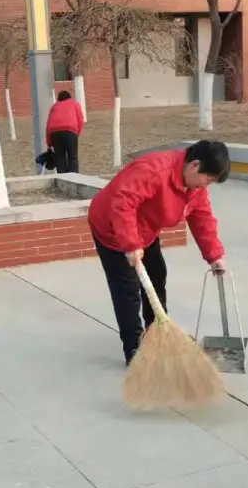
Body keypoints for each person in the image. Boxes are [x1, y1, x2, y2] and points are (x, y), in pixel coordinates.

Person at [88, 140, 229, 365]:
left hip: (145, 230)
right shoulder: (153, 171)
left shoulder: (194, 187)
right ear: (194, 166)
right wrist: (130, 244)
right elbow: (123, 204)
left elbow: (201, 216)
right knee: (128, 290)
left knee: (157, 275)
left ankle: (158, 335)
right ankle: (134, 349)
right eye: (209, 179)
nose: (207, 186)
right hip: (113, 229)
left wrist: (214, 255)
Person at [45, 90, 84, 173]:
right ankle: (73, 178)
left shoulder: (54, 107)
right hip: (70, 132)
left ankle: (62, 180)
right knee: (72, 156)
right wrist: (76, 134)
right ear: (69, 97)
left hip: (54, 134)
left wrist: (49, 143)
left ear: (59, 99)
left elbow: (48, 126)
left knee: (60, 158)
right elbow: (80, 120)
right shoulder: (74, 104)